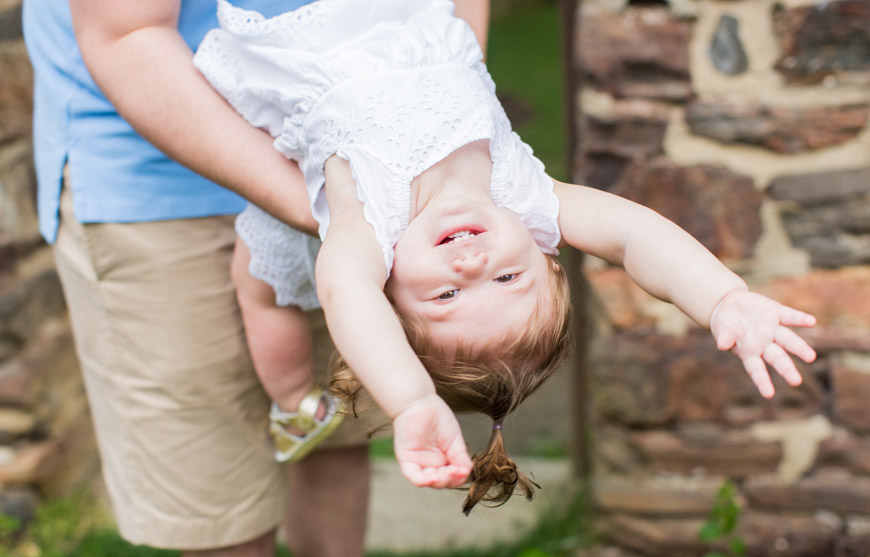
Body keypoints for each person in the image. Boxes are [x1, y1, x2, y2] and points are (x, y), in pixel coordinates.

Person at [191, 0, 818, 516]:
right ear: (544, 251)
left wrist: (412, 400)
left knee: (263, 292)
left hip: (313, 50)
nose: (471, 267)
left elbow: (343, 293)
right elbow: (631, 235)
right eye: (508, 276)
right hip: (402, 18)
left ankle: (293, 402)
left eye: (446, 297)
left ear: (388, 289)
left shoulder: (371, 230)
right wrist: (721, 297)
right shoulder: (525, 200)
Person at [22, 0, 488, 557]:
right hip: (158, 167)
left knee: (333, 439)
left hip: (352, 152)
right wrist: (327, 206)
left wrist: (437, 133)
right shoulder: (337, 204)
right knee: (228, 523)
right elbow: (128, 33)